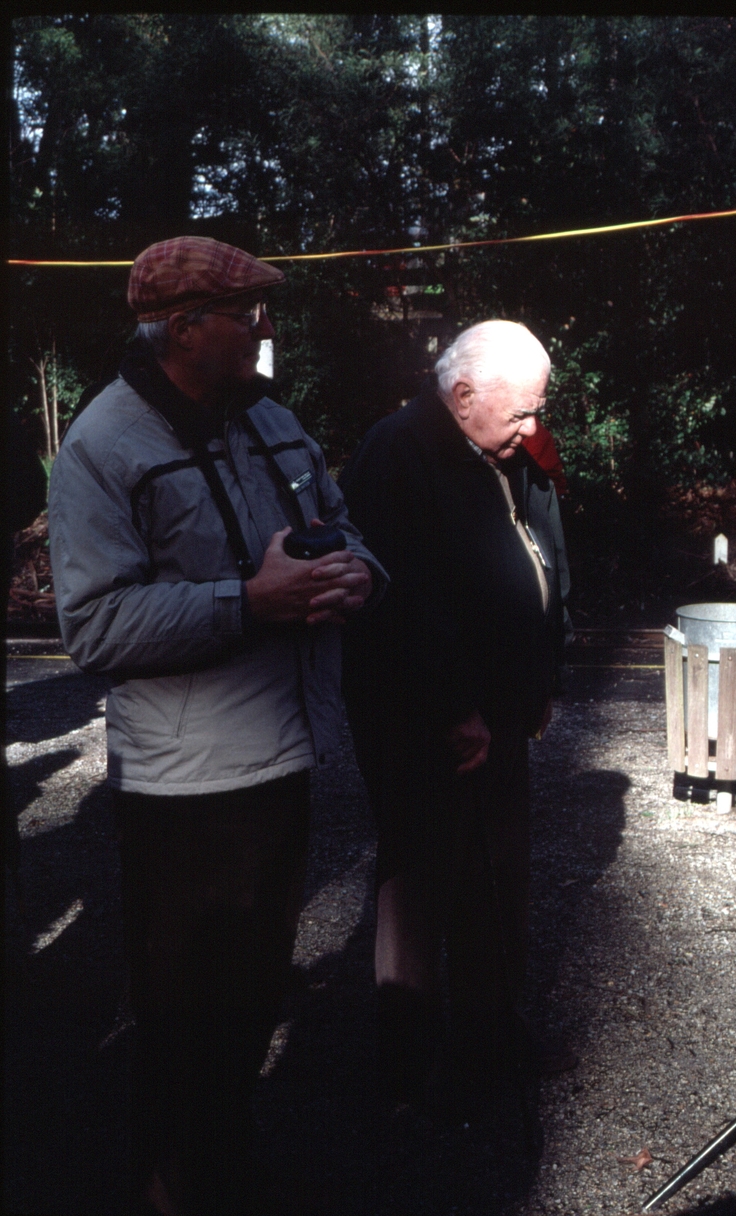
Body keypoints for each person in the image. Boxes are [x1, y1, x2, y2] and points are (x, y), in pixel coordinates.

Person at [48, 236, 387, 1216]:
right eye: (247, 313)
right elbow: (95, 625)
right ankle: (170, 1185)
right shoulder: (102, 448)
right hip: (184, 790)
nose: (264, 329)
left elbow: (337, 523)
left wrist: (356, 569)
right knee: (182, 1012)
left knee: (246, 1002)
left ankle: (222, 1165)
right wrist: (255, 600)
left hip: (281, 759)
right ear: (183, 326)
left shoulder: (270, 418)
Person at [339, 319, 573, 1118]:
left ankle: (488, 1041)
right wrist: (452, 710)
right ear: (462, 394)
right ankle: (405, 1073)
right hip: (425, 719)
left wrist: (546, 666)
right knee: (420, 886)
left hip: (502, 710)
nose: (533, 429)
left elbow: (547, 554)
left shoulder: (512, 446)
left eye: (538, 410)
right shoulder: (397, 451)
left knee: (498, 882)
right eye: (520, 413)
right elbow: (395, 602)